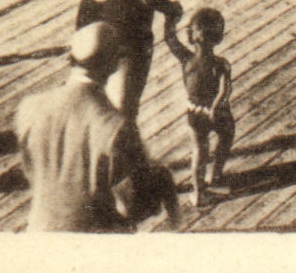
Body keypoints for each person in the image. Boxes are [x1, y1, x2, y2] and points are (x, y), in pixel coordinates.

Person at [16, 22, 181, 232]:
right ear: (112, 65)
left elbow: (32, 171)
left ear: (70, 59)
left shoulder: (28, 108)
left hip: (39, 232)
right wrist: (159, 178)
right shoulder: (116, 127)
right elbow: (134, 206)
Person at [164, 7, 234, 207]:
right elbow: (225, 90)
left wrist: (170, 20)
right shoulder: (220, 64)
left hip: (194, 112)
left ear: (192, 36)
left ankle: (198, 192)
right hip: (216, 111)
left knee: (199, 151)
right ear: (218, 38)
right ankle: (216, 175)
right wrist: (215, 107)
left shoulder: (186, 59)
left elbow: (170, 39)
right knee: (226, 136)